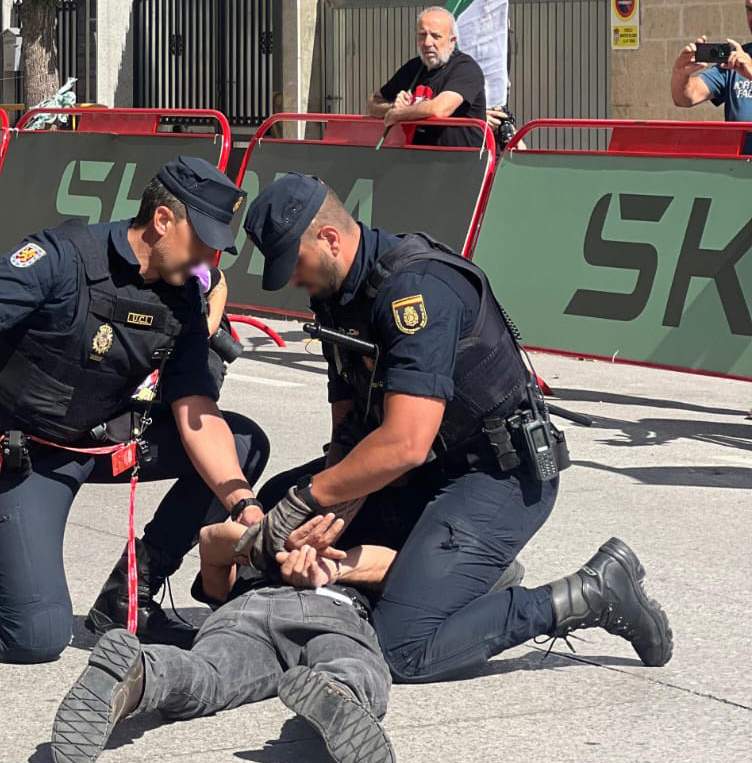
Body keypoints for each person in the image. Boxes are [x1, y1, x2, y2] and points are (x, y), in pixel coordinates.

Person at [237, 174, 673, 684]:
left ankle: (590, 592)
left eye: (295, 264)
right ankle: (463, 580)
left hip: (497, 477)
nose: (292, 280)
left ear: (330, 239)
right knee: (275, 515)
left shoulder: (415, 292)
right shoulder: (336, 292)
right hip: (426, 472)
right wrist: (332, 507)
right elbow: (351, 427)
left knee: (403, 647)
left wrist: (307, 501)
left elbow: (404, 442)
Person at [0, 157, 272, 663]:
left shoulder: (185, 294)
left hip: (108, 442)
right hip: (27, 454)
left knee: (241, 444)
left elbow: (195, 406)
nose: (209, 255)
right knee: (34, 639)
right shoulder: (63, 257)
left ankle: (133, 592)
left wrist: (245, 505)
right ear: (163, 221)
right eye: (203, 240)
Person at [51, 514, 396, 763]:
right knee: (350, 658)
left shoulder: (282, 496)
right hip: (331, 605)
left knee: (208, 673)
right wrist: (315, 562)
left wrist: (265, 542)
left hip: (244, 608)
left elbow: (210, 543)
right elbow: (396, 565)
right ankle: (339, 692)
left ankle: (141, 674)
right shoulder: (375, 510)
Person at [366, 8, 486, 147]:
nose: (427, 43)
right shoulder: (413, 68)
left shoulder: (465, 68)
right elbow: (372, 104)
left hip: (460, 161)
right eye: (422, 35)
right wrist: (393, 106)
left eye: (435, 36)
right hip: (417, 160)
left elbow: (440, 109)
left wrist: (400, 113)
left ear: (452, 41)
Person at [670, 0, 752, 154]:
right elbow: (686, 98)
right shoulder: (737, 59)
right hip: (740, 172)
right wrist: (680, 74)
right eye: (749, 9)